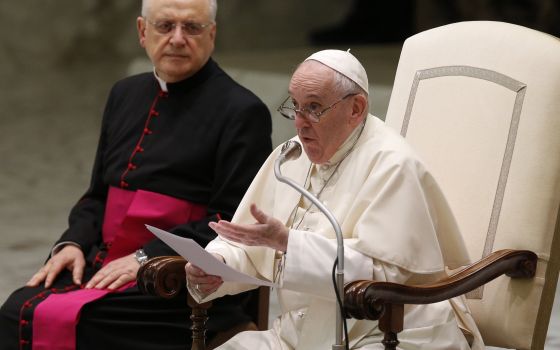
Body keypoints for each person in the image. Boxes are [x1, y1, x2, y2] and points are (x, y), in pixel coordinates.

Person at [0, 0, 272, 349]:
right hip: (105, 261)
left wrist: (147, 257)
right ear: (143, 32)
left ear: (212, 34)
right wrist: (72, 243)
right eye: (164, 26)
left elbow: (231, 221)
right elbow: (98, 194)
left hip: (179, 277)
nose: (177, 38)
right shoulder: (124, 93)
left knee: (83, 321)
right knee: (16, 310)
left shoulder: (242, 111)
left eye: (192, 27)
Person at [185, 49, 485, 349]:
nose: (299, 124)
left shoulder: (393, 165)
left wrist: (289, 243)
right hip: (298, 334)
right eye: (295, 106)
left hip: (386, 333)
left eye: (314, 108)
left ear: (356, 108)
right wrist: (217, 262)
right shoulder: (291, 156)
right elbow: (251, 244)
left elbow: (386, 278)